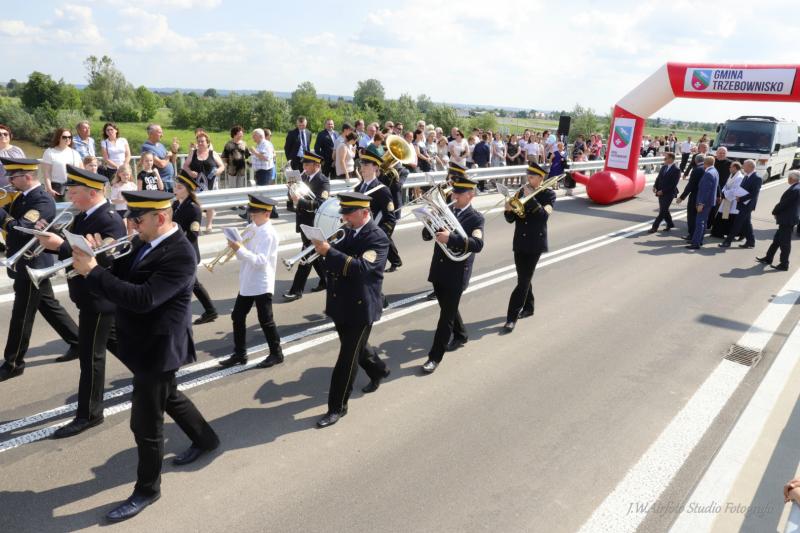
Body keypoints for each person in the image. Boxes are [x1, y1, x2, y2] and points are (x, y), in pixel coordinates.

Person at [71, 190, 220, 522]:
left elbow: (143, 298)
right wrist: (99, 258)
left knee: (145, 423)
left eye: (137, 220)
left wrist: (94, 271)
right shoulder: (144, 241)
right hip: (141, 339)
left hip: (159, 347)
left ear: (160, 218)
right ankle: (206, 439)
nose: (132, 225)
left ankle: (147, 490)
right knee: (171, 396)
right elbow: (122, 274)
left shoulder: (181, 254)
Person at [35, 165, 125, 438]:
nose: (69, 196)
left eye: (74, 192)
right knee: (120, 345)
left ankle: (89, 414)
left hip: (98, 300)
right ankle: (154, 376)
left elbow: (104, 260)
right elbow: (77, 246)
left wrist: (59, 245)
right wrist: (49, 234)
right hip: (87, 296)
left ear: (92, 193)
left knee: (90, 358)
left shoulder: (109, 220)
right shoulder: (85, 216)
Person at [310, 192, 391, 428]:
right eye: (343, 213)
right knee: (358, 348)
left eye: (348, 213)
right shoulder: (347, 231)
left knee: (347, 359)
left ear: (365, 213)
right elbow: (334, 263)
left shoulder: (377, 237)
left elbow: (360, 268)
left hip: (361, 307)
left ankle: (337, 407)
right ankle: (379, 370)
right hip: (340, 302)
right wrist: (322, 251)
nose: (344, 217)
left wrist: (328, 251)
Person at [0, 157, 79, 381]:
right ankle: (78, 341)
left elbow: (20, 228)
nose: (9, 180)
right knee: (48, 305)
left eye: (13, 176)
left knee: (21, 315)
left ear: (27, 176)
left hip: (32, 264)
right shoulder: (21, 197)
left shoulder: (42, 200)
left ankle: (14, 363)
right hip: (24, 262)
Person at [420, 170, 485, 373]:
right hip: (439, 268)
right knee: (448, 306)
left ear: (470, 195)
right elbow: (426, 236)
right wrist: (429, 220)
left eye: (459, 193)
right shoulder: (445, 212)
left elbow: (477, 244)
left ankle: (434, 357)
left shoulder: (476, 218)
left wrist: (451, 239)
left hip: (457, 272)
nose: (454, 195)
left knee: (445, 316)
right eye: (454, 192)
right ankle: (461, 334)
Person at [218, 195, 284, 369]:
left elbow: (260, 261)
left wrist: (239, 249)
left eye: (255, 213)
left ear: (267, 213)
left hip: (261, 282)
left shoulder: (269, 234)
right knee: (237, 316)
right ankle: (240, 354)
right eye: (251, 213)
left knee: (266, 320)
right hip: (248, 281)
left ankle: (276, 353)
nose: (251, 216)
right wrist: (236, 247)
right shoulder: (251, 228)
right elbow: (243, 256)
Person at [501, 162, 555, 333]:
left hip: (535, 243)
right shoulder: (520, 192)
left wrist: (531, 198)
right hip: (520, 241)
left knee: (523, 280)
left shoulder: (549, 195)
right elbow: (511, 220)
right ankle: (529, 307)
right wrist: (508, 210)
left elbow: (543, 217)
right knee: (523, 278)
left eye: (531, 177)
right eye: (528, 176)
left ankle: (512, 317)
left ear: (540, 178)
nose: (528, 179)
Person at [283, 151, 330, 301]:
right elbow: (293, 197)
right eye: (303, 164)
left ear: (317, 165)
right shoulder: (302, 178)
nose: (304, 166)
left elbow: (320, 203)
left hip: (314, 223)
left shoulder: (323, 181)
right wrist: (290, 189)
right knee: (315, 254)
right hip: (302, 221)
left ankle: (296, 290)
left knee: (306, 255)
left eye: (307, 164)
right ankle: (326, 280)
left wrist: (300, 201)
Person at [172, 171, 218, 325]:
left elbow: (193, 235)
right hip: (178, 252)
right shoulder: (176, 205)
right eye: (175, 187)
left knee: (190, 285)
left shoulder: (193, 208)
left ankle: (209, 311)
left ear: (188, 190)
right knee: (191, 284)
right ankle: (210, 311)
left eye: (179, 188)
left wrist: (176, 245)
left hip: (187, 253)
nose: (175, 190)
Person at [358, 147, 400, 271]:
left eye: (366, 164)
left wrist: (378, 237)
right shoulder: (358, 188)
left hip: (372, 236)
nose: (362, 167)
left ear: (376, 167)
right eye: (362, 164)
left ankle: (395, 262)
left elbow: (390, 220)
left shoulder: (382, 190)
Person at [757, 171, 800, 271]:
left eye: (789, 177)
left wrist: (775, 211)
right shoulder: (797, 187)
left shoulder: (794, 189)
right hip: (789, 218)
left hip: (787, 219)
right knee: (777, 240)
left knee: (785, 243)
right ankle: (768, 258)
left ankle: (784, 264)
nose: (788, 179)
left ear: (792, 178)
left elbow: (783, 204)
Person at [183, 132, 225, 233]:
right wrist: (190, 172)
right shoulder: (193, 153)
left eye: (202, 141)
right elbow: (185, 166)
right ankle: (197, 225)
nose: (200, 143)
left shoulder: (213, 153)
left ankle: (209, 225)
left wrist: (218, 171)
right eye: (198, 141)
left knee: (210, 205)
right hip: (195, 184)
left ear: (208, 143)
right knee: (196, 206)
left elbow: (222, 166)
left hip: (210, 184)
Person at [720, 159, 762, 249]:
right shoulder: (746, 176)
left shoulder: (757, 178)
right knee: (746, 224)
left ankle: (727, 242)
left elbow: (754, 194)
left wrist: (741, 198)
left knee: (737, 223)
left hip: (747, 204)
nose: (742, 167)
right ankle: (751, 242)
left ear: (750, 167)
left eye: (744, 165)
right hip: (742, 203)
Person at [687, 156, 718, 250]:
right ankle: (699, 240)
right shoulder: (715, 171)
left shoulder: (708, 173)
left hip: (704, 203)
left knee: (699, 222)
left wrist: (701, 203)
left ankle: (695, 243)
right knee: (703, 222)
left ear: (705, 163)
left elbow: (705, 191)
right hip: (709, 202)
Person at [42, 127, 83, 201]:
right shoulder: (50, 152)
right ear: (58, 138)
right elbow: (46, 173)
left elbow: (82, 171)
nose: (67, 139)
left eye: (69, 137)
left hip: (74, 189)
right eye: (64, 137)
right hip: (56, 189)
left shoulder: (75, 153)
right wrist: (49, 189)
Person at [648, 152, 680, 233]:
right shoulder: (664, 167)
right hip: (660, 192)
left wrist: (663, 191)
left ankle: (654, 227)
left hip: (669, 193)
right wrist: (655, 186)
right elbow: (658, 178)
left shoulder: (676, 170)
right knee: (664, 209)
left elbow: (673, 184)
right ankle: (670, 224)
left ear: (671, 159)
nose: (664, 159)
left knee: (662, 211)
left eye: (666, 158)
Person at [140, 124, 178, 193]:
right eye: (159, 132)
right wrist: (168, 156)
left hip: (170, 181)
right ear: (151, 134)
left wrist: (174, 151)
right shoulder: (146, 147)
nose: (162, 135)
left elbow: (173, 161)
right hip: (160, 183)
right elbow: (161, 164)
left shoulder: (160, 145)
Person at [712, 161, 744, 239]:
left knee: (729, 217)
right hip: (727, 198)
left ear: (735, 168)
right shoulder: (731, 175)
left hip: (732, 199)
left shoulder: (739, 177)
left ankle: (736, 234)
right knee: (723, 216)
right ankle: (719, 233)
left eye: (730, 167)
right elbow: (726, 185)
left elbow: (735, 189)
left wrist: (725, 193)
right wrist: (723, 192)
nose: (729, 168)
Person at [676, 154, 706, 239]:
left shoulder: (697, 169)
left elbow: (690, 185)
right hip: (705, 196)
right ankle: (699, 235)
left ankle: (692, 235)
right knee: (701, 217)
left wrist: (682, 197)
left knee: (692, 216)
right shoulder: (709, 168)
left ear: (695, 161)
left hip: (695, 196)